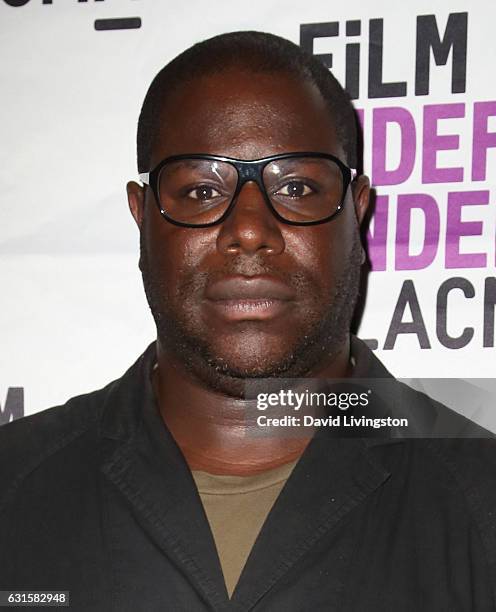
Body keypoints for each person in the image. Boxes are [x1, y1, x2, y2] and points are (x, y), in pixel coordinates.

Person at [1, 31, 496, 612]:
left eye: (297, 186)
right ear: (142, 218)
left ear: (357, 213)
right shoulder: (14, 487)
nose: (250, 230)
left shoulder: (480, 503)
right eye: (202, 190)